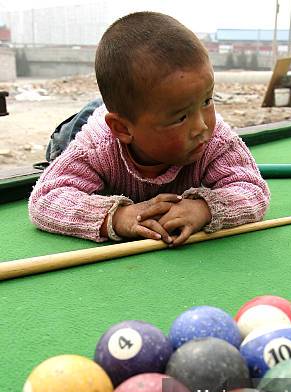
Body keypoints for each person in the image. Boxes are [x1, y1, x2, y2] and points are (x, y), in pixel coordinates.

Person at [29, 12, 270, 246]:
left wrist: (205, 208)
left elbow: (253, 190)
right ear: (122, 128)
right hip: (78, 129)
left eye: (206, 101)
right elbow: (45, 199)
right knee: (64, 146)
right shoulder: (95, 147)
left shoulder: (215, 139)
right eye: (180, 117)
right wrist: (117, 217)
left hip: (129, 116)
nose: (201, 126)